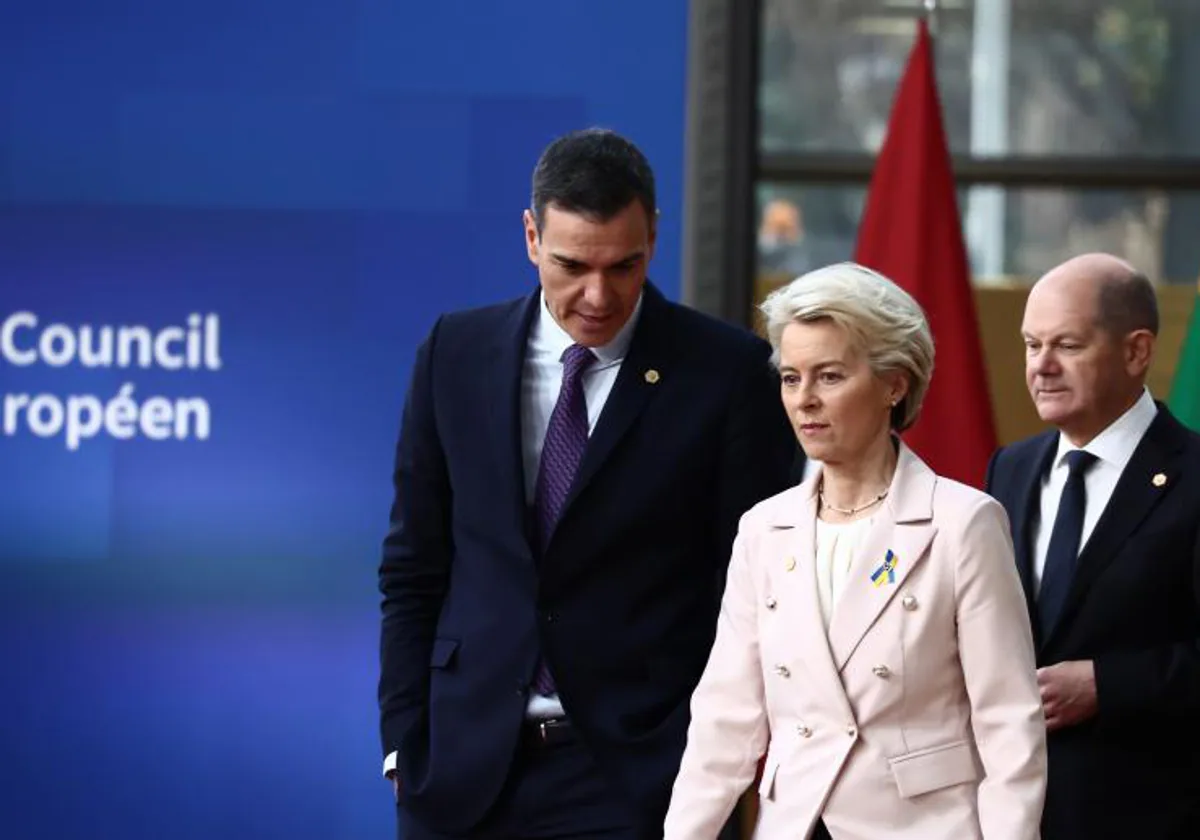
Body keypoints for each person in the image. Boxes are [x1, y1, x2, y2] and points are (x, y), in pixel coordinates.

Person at [377, 127, 796, 839]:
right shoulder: (456, 352)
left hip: (646, 782)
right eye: (573, 265)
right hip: (465, 773)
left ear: (655, 238)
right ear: (532, 235)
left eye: (624, 266)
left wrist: (711, 760)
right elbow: (414, 565)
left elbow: (756, 591)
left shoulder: (727, 374)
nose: (599, 296)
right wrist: (404, 740)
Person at [663, 262, 1047, 840]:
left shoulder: (963, 523)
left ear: (894, 384)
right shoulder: (764, 530)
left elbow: (1008, 724)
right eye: (791, 378)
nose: (804, 400)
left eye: (830, 376)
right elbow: (726, 718)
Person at [984, 253, 1200, 839]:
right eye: (1032, 345)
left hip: (1151, 814)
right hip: (1015, 814)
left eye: (1068, 346)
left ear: (1137, 352)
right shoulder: (1010, 469)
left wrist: (1109, 684)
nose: (1042, 367)